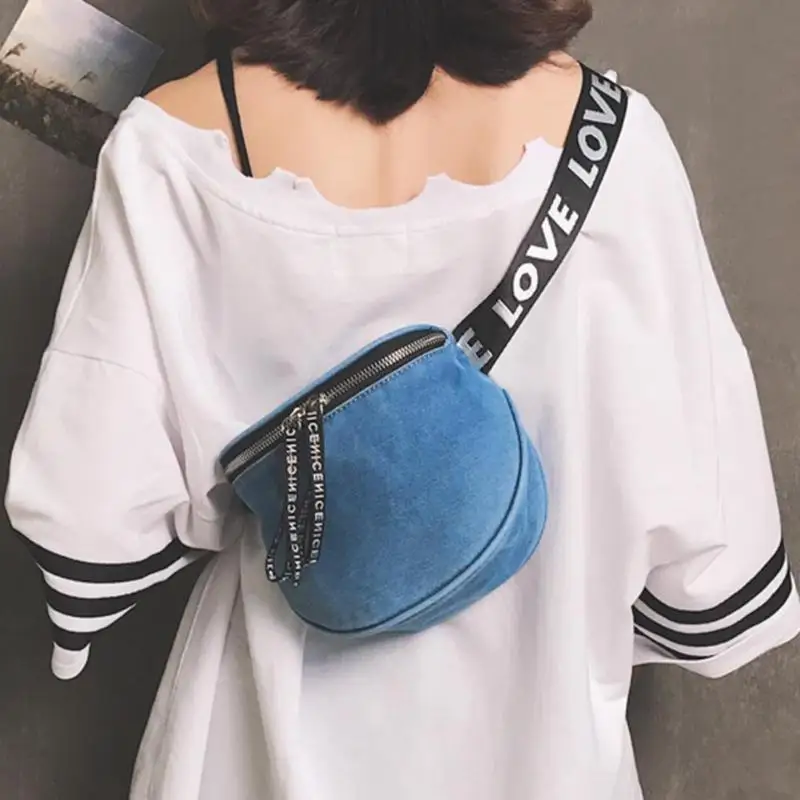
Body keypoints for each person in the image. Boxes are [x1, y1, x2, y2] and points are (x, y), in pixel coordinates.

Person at [5, 1, 800, 798]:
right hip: (541, 755)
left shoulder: (174, 144)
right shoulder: (616, 143)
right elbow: (711, 576)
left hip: (255, 755)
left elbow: (86, 527)